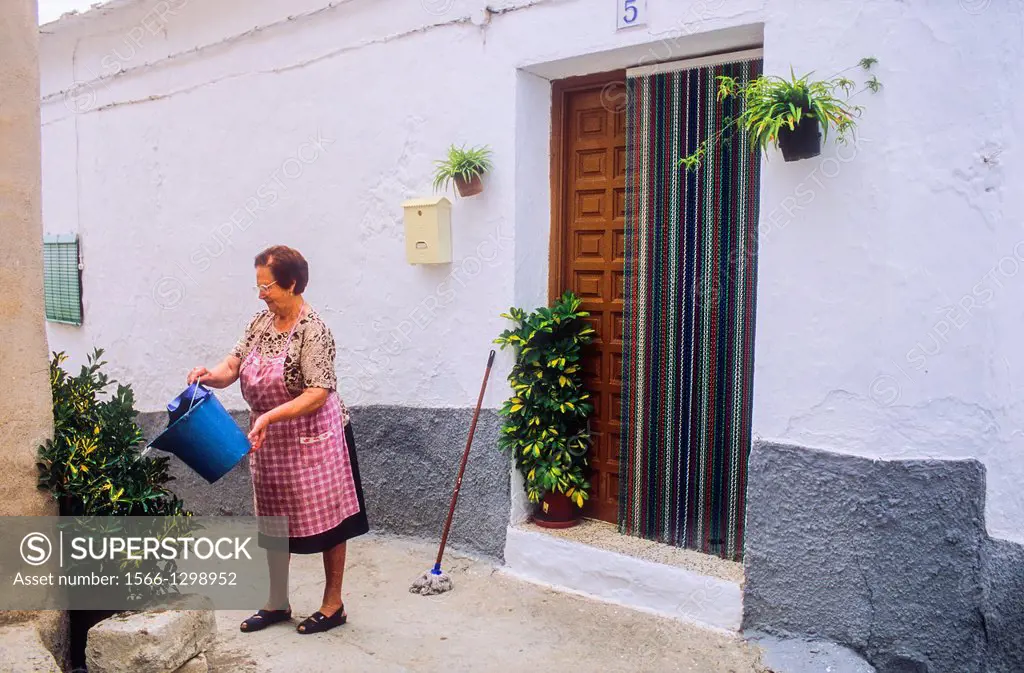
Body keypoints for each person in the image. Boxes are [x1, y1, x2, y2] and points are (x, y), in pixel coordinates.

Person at [187, 244, 369, 635]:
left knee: (331, 520)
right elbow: (233, 364)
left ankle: (333, 604)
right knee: (273, 522)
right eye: (258, 286)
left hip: (316, 438)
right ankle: (277, 602)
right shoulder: (260, 324)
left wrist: (270, 415)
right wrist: (209, 375)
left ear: (290, 284)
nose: (260, 294)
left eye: (266, 286)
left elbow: (319, 390)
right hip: (269, 441)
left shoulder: (314, 330)